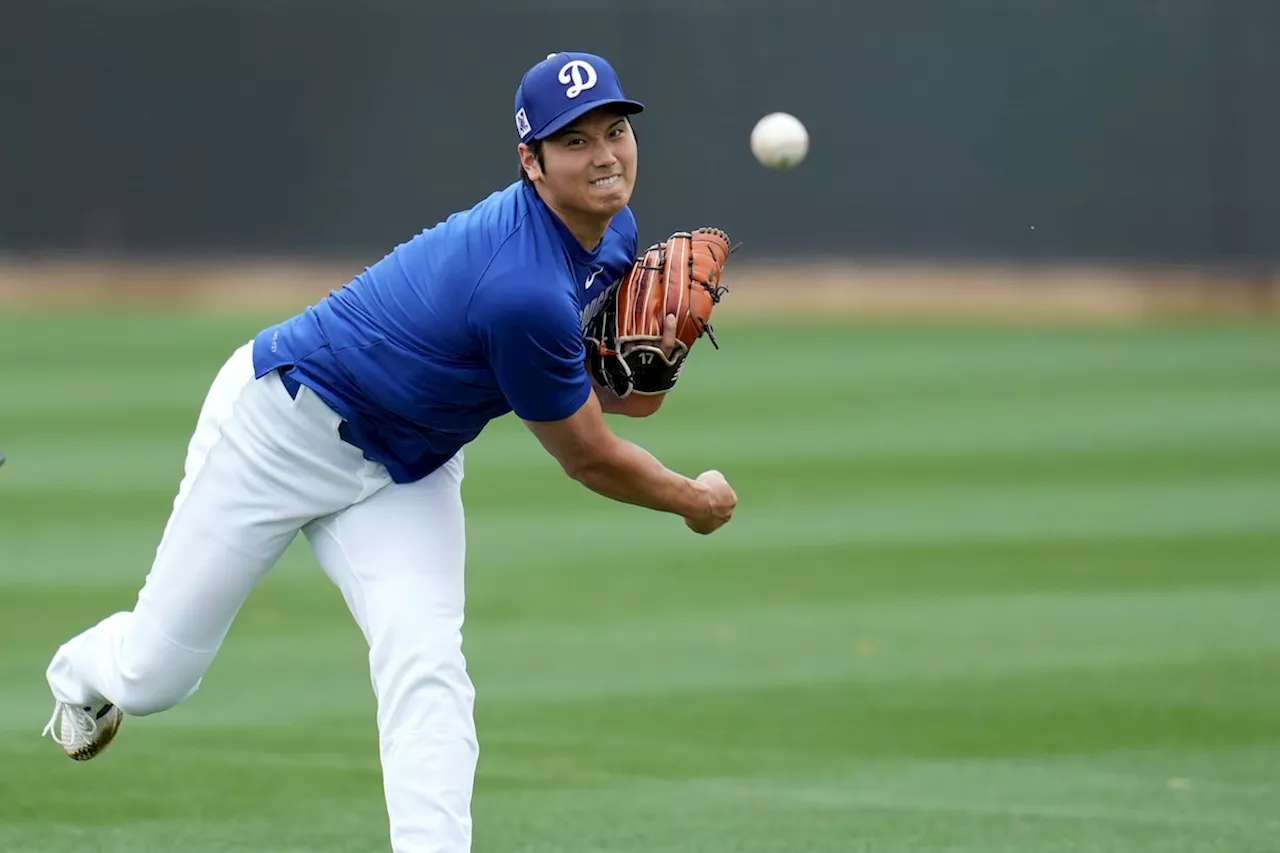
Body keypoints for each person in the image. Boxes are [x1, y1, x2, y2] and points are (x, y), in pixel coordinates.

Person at [40, 50, 737, 853]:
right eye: (573, 141)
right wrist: (694, 499)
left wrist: (642, 374)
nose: (606, 155)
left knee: (427, 664)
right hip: (282, 426)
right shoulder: (521, 287)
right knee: (156, 676)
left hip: (406, 466)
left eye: (615, 130)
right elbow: (588, 456)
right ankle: (79, 671)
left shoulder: (615, 237)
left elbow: (605, 393)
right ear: (531, 163)